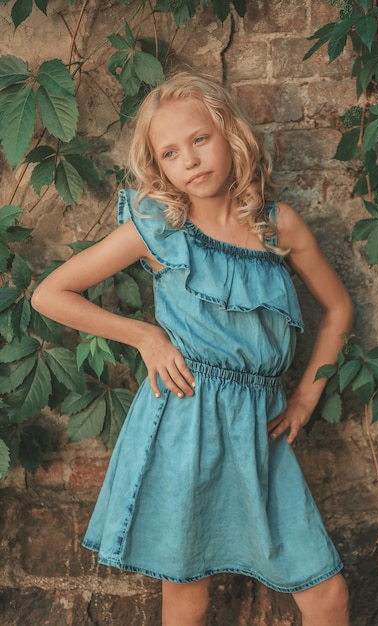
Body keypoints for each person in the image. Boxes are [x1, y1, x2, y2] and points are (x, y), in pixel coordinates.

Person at [32, 72, 353, 626]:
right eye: (171, 153)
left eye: (200, 140)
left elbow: (340, 310)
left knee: (327, 594)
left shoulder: (279, 228)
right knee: (188, 598)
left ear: (230, 135)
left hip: (260, 423)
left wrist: (304, 399)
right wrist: (145, 336)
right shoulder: (159, 226)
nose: (191, 160)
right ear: (160, 168)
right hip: (185, 417)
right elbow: (49, 294)